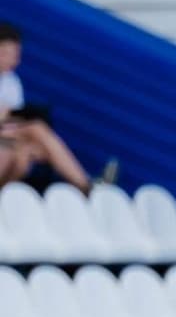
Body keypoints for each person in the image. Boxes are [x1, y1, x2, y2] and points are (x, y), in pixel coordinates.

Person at [0, 22, 112, 193]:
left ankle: (86, 187)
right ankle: (86, 186)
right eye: (9, 54)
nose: (15, 60)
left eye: (17, 54)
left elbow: (11, 121)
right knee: (34, 130)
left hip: (7, 141)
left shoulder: (11, 82)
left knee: (25, 153)